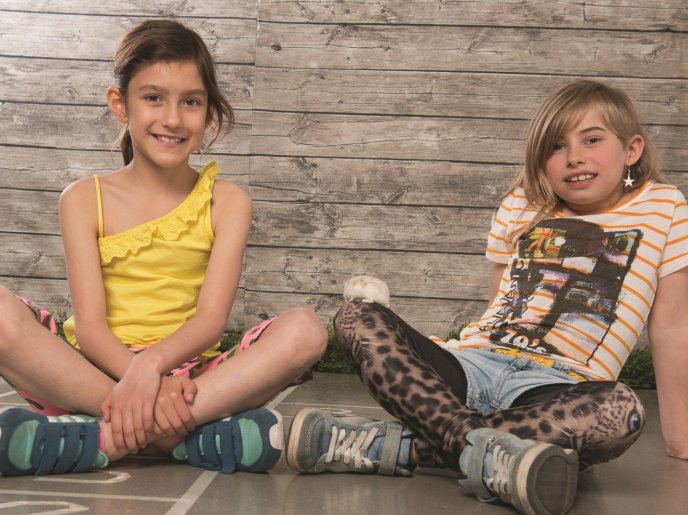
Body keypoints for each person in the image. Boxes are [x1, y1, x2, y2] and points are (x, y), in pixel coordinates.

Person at [285, 80, 688, 515]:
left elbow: (671, 325)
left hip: (556, 390)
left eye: (592, 139)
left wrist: (680, 436)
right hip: (471, 367)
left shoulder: (665, 208)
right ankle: (492, 452)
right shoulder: (522, 204)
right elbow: (500, 306)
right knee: (355, 317)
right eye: (556, 146)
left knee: (621, 412)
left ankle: (390, 446)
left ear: (632, 150)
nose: (574, 157)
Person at [0, 19, 327, 477]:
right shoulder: (82, 198)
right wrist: (137, 378)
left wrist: (154, 368)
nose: (173, 119)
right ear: (120, 104)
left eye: (190, 102)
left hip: (189, 378)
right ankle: (181, 437)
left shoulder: (227, 202)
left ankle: (104, 438)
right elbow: (91, 328)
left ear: (209, 110)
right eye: (153, 98)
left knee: (306, 331)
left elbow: (211, 322)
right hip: (90, 371)